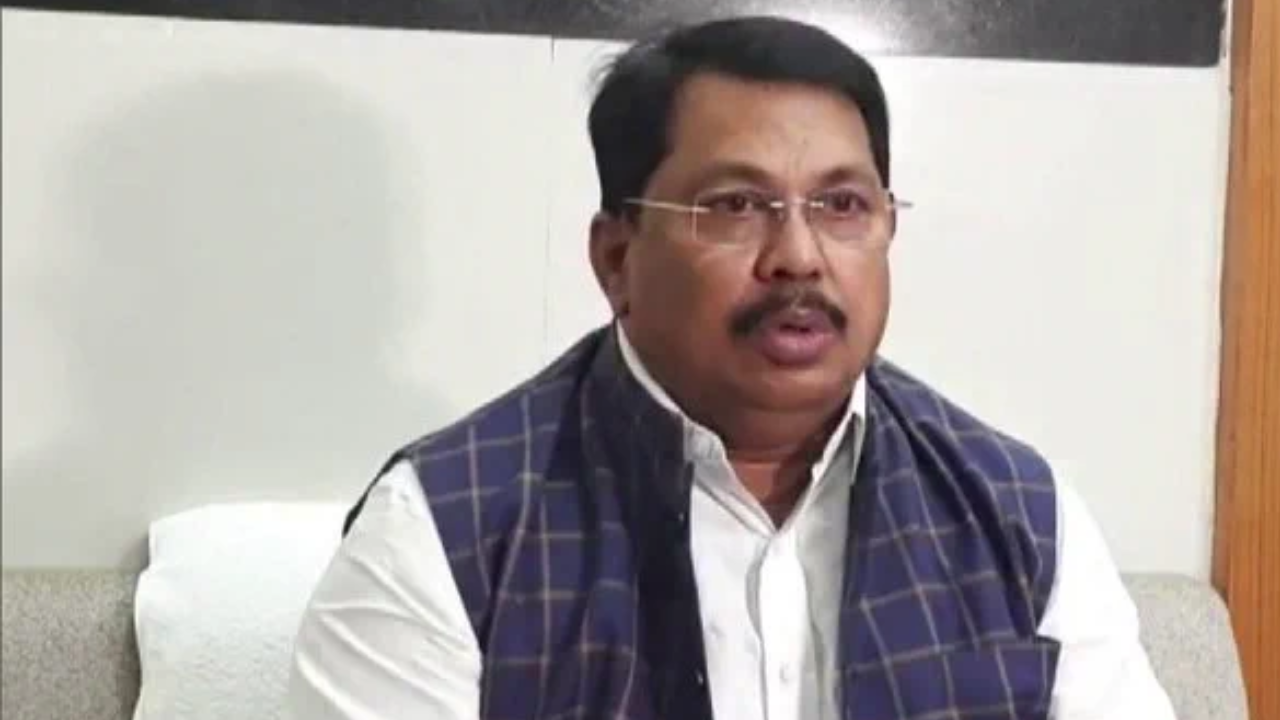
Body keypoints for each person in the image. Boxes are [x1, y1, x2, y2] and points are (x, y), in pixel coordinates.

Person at [290, 16, 1176, 720]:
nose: (799, 256)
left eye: (841, 204)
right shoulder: (446, 533)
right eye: (737, 205)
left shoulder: (1018, 517)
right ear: (617, 257)